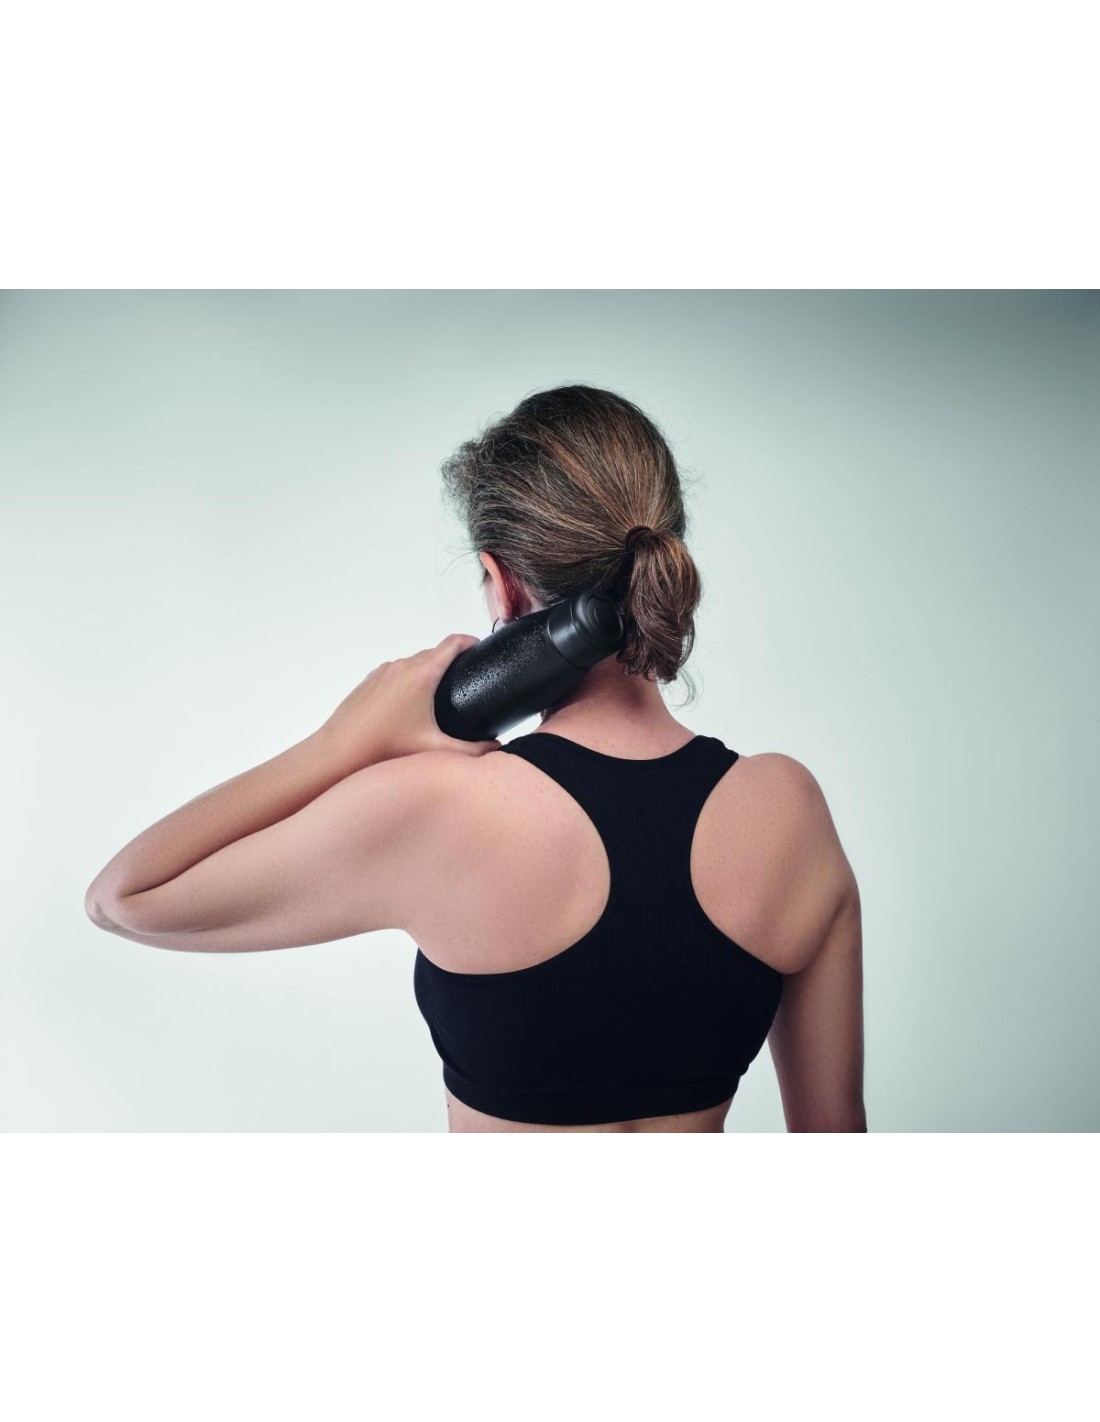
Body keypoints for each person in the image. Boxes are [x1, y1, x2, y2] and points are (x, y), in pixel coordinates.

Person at [85, 383, 865, 1135]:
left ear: (501, 584)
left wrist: (341, 742)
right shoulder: (788, 808)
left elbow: (124, 897)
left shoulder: (441, 808)